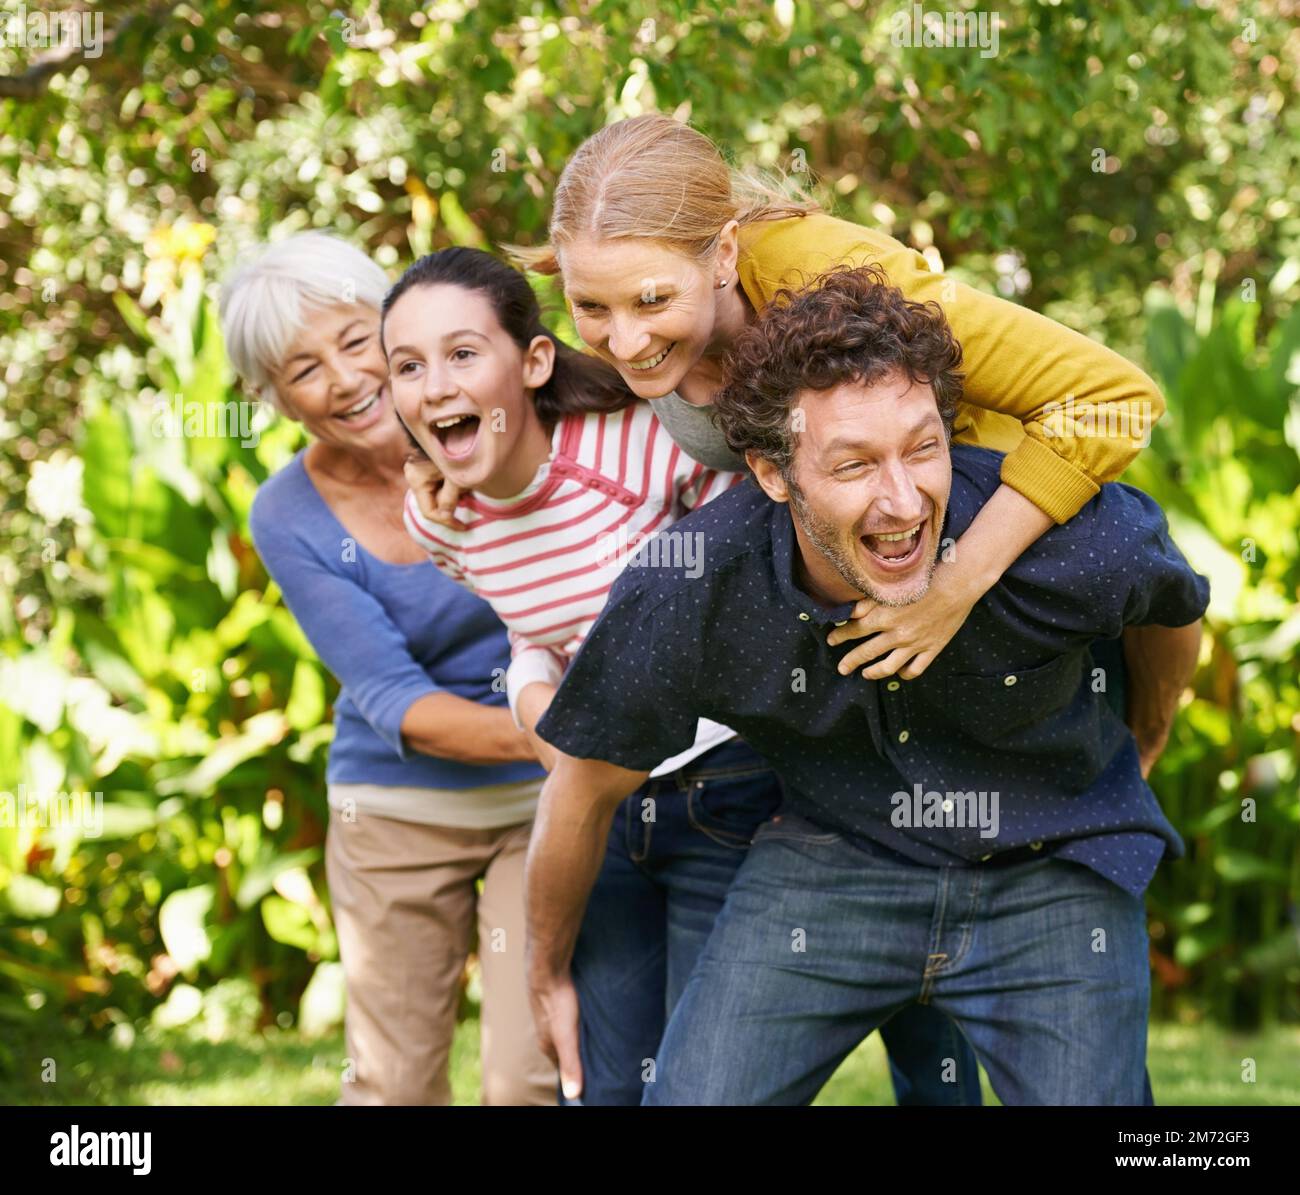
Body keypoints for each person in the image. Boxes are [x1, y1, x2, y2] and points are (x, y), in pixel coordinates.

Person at [524, 266, 1208, 1105]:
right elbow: (582, 791)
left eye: (924, 447)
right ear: (774, 474)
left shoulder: (1067, 541)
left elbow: (1173, 604)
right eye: (852, 464)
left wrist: (1150, 726)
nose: (902, 497)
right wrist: (545, 968)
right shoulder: (695, 582)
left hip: (1054, 861)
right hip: (834, 857)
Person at [387, 246, 972, 1105]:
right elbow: (536, 627)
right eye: (408, 365)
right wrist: (534, 699)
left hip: (724, 785)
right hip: (602, 811)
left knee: (710, 1077)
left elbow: (768, 552)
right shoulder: (444, 520)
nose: (435, 385)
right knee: (612, 1081)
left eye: (462, 353)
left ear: (535, 361)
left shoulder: (640, 446)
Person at [219, 232, 555, 1106]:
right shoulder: (286, 514)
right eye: (303, 367)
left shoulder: (496, 427)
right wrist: (567, 735)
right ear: (276, 397)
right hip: (396, 813)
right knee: (393, 1085)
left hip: (540, 807)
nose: (344, 378)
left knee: (528, 1075)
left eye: (356, 339)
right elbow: (394, 701)